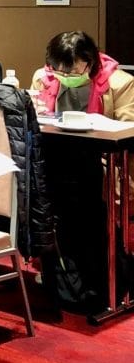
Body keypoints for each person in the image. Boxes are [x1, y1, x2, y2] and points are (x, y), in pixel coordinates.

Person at [31, 31, 134, 312]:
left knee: (81, 199)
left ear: (89, 63)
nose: (63, 74)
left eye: (72, 69)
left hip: (101, 161)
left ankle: (103, 279)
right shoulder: (44, 77)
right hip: (57, 158)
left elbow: (129, 130)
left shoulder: (120, 83)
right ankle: (66, 273)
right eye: (58, 68)